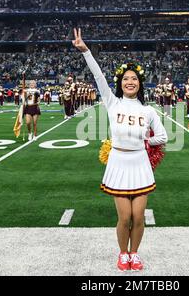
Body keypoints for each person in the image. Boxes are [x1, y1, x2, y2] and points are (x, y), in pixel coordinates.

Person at [73, 28, 167, 272]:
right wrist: (86, 52)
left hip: (140, 164)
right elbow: (98, 77)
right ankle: (122, 254)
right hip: (118, 163)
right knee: (124, 217)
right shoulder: (112, 103)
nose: (130, 82)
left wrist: (146, 142)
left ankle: (134, 254)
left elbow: (163, 137)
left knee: (139, 217)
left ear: (139, 84)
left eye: (134, 79)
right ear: (121, 83)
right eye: (125, 79)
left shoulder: (148, 112)